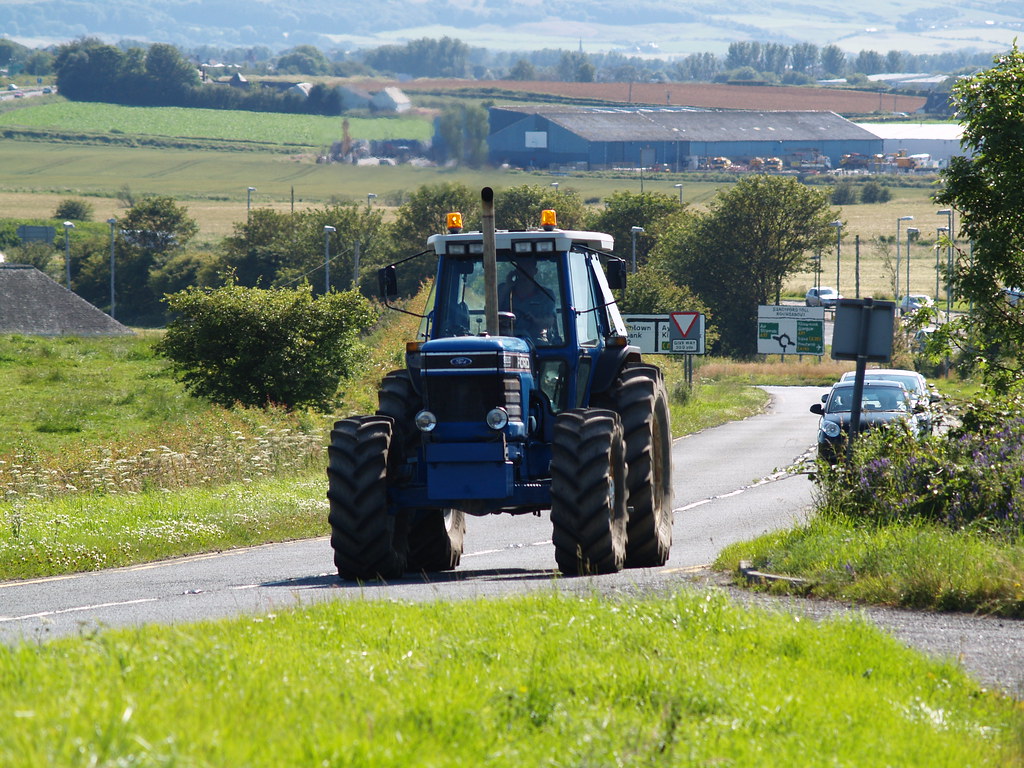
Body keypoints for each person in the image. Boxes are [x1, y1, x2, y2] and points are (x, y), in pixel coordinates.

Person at [499, 259, 557, 343]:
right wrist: (508, 286)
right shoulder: (502, 290)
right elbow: (489, 312)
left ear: (535, 271)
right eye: (521, 269)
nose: (525, 272)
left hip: (535, 340)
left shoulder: (545, 295)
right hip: (505, 339)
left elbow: (550, 321)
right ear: (516, 271)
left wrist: (535, 320)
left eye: (528, 268)